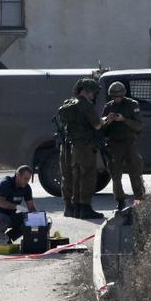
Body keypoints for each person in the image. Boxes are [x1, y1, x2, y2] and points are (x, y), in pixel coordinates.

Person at [66, 78, 112, 219]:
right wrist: (107, 119)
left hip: (74, 146)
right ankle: (85, 207)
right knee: (88, 176)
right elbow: (97, 125)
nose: (93, 95)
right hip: (86, 146)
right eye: (92, 92)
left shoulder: (70, 103)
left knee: (77, 176)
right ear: (86, 91)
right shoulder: (86, 105)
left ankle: (77, 208)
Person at [102, 81, 145, 210]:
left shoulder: (132, 105)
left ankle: (139, 199)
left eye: (119, 96)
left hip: (129, 143)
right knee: (115, 174)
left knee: (135, 171)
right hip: (114, 144)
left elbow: (138, 126)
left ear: (123, 94)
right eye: (114, 96)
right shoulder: (108, 107)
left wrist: (124, 119)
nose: (117, 99)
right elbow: (102, 129)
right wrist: (107, 121)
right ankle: (120, 200)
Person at [0, 165, 37, 245]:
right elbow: (1, 203)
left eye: (28, 179)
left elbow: (31, 207)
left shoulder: (26, 188)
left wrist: (37, 218)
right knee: (3, 219)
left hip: (8, 216)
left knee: (28, 220)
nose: (27, 181)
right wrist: (17, 206)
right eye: (25, 179)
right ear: (17, 175)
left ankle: (6, 238)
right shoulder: (5, 183)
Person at [56, 79, 84, 218]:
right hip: (71, 145)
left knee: (67, 177)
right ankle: (73, 206)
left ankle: (69, 206)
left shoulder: (67, 105)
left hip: (67, 144)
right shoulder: (77, 106)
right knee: (74, 176)